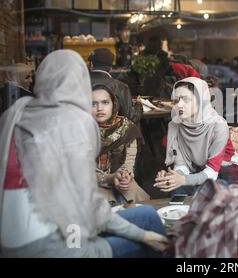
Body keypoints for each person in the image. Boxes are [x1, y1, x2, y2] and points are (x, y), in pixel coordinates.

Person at [0, 50, 168, 257]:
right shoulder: (73, 121)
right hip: (53, 246)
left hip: (9, 242)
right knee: (149, 222)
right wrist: (143, 236)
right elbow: (88, 205)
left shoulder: (16, 113)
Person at [154, 77, 238, 194]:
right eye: (176, 100)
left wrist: (183, 180)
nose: (179, 105)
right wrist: (173, 177)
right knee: (176, 188)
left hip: (226, 172)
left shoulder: (218, 126)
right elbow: (181, 165)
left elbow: (212, 172)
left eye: (186, 100)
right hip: (199, 169)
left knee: (210, 190)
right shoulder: (175, 125)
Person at [92, 84, 150, 204]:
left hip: (121, 181)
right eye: (93, 104)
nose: (100, 108)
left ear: (114, 104)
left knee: (139, 204)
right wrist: (110, 178)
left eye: (105, 102)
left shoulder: (126, 127)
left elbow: (129, 161)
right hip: (91, 183)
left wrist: (124, 175)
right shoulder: (79, 131)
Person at [89, 48, 142, 124]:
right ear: (110, 68)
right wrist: (138, 104)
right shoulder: (120, 86)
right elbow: (132, 117)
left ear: (91, 65)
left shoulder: (78, 84)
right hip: (109, 134)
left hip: (83, 132)